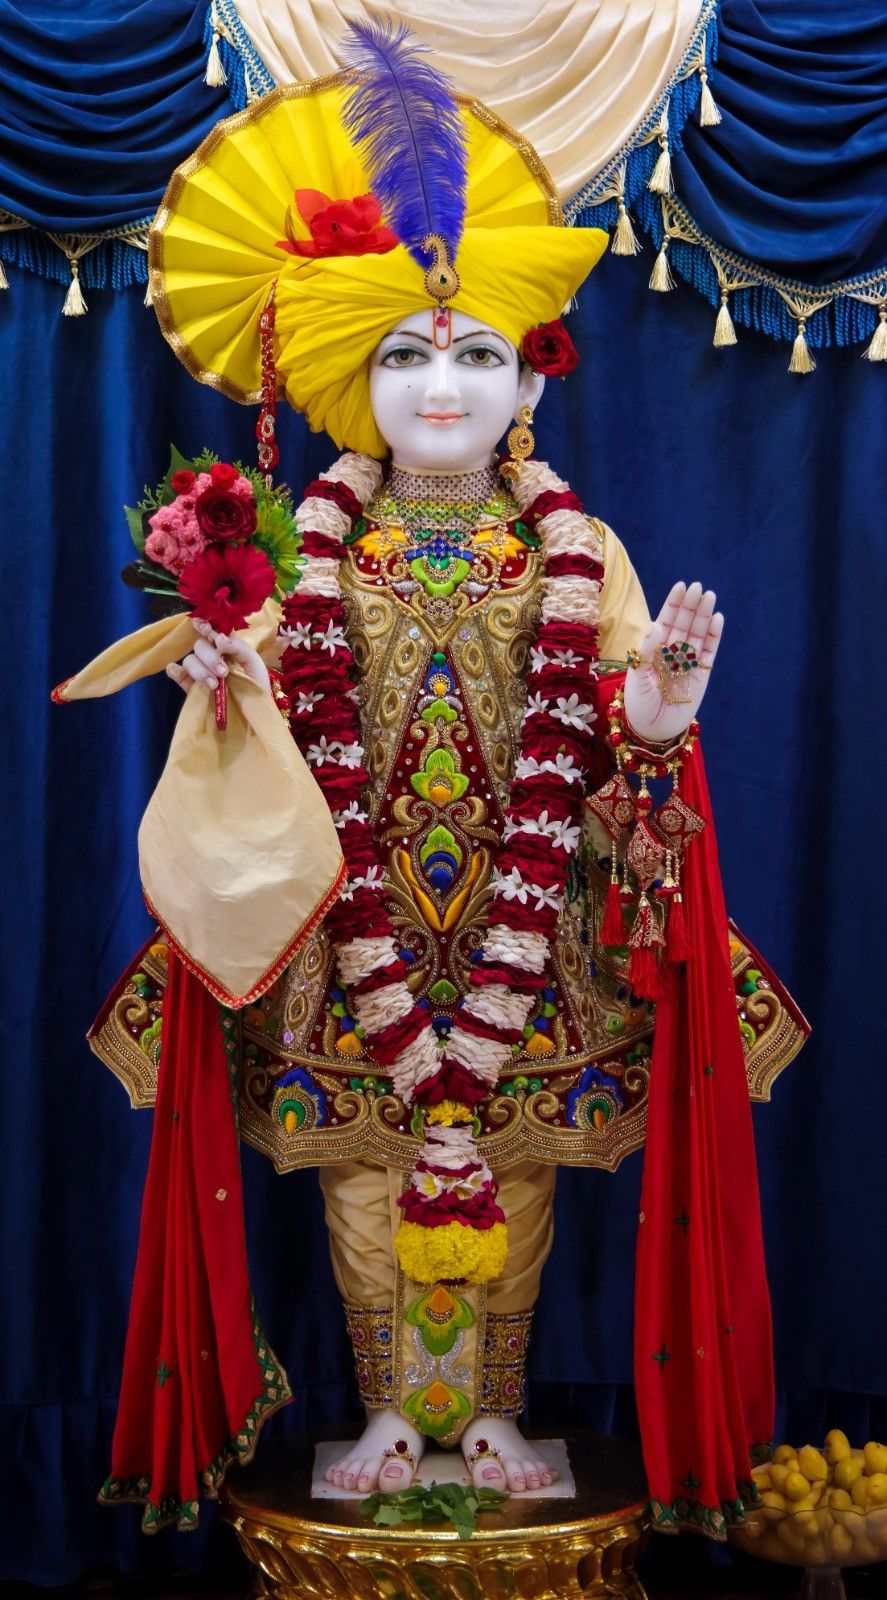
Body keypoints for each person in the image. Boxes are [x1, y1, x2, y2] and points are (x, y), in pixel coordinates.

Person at [63, 23, 805, 1536]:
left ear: (526, 380)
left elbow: (622, 737)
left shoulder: (578, 549)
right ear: (351, 384)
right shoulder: (297, 558)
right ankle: (400, 1411)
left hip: (536, 948)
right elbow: (248, 740)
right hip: (349, 938)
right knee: (363, 1169)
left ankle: (499, 1415)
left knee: (510, 1168)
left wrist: (665, 707)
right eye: (407, 353)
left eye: (473, 352)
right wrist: (215, 689)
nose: (444, 382)